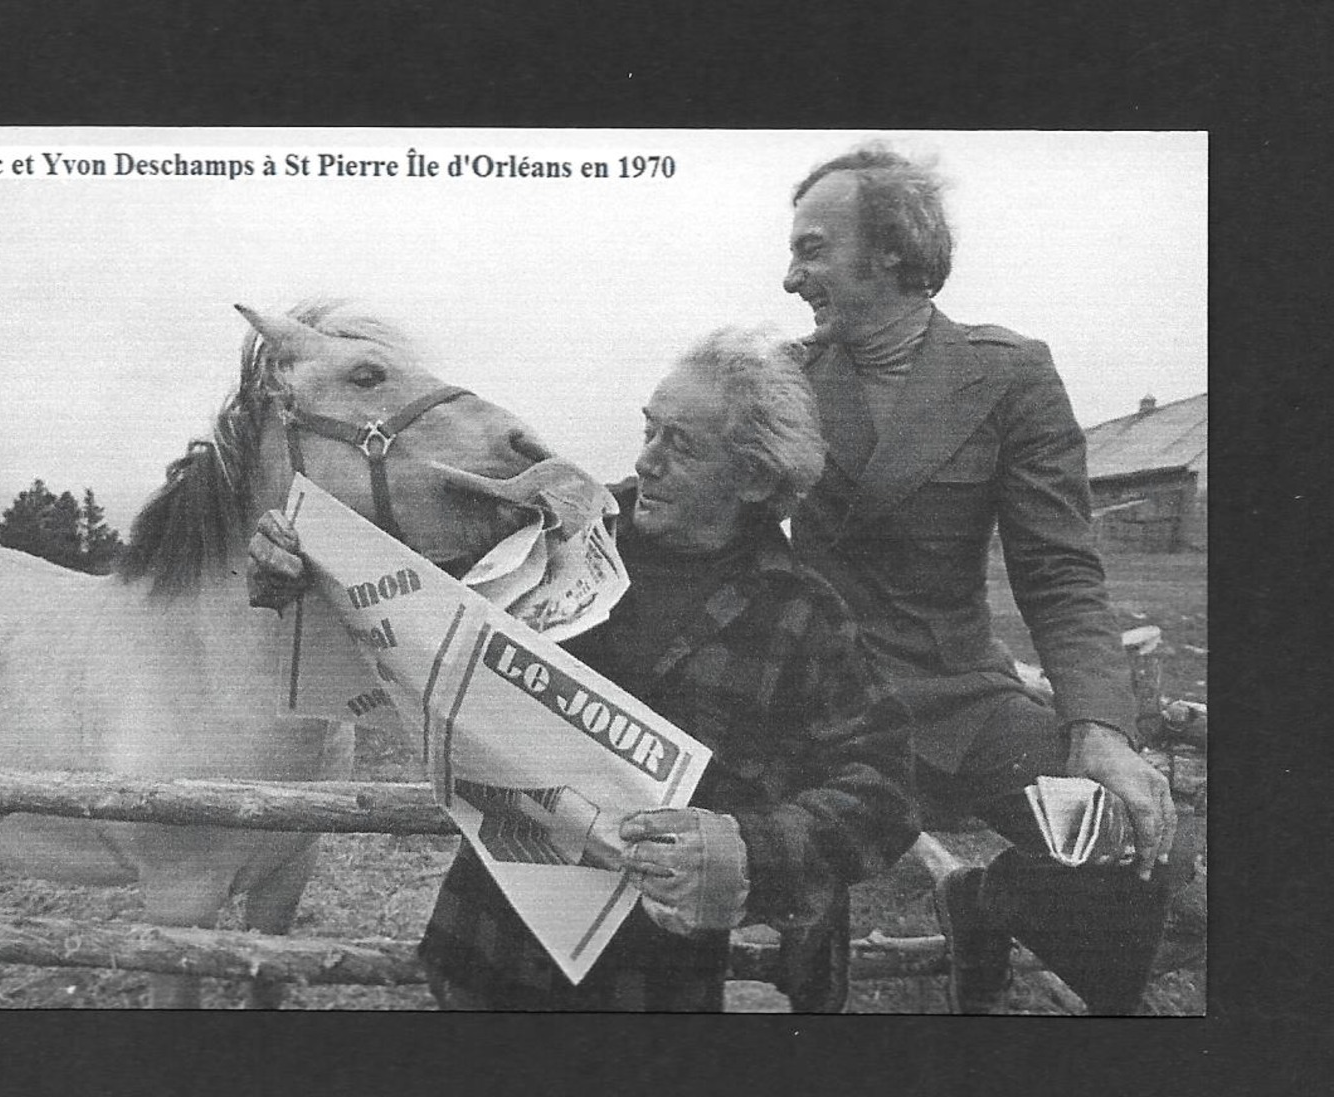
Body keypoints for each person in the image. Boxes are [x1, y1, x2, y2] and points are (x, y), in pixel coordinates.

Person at [248, 325, 919, 1011]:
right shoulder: (556, 529)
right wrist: (299, 570)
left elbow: (884, 790)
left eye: (678, 444)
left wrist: (748, 850)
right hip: (482, 949)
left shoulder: (802, 613)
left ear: (752, 476)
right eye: (649, 430)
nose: (646, 461)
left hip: (651, 987)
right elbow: (406, 602)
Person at [780, 142, 1194, 1014]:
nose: (790, 277)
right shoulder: (781, 380)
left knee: (1125, 846)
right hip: (815, 700)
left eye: (812, 249)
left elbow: (1059, 571)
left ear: (890, 249)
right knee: (794, 911)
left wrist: (1096, 724)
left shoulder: (1009, 374)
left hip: (958, 701)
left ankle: (983, 904)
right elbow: (688, 494)